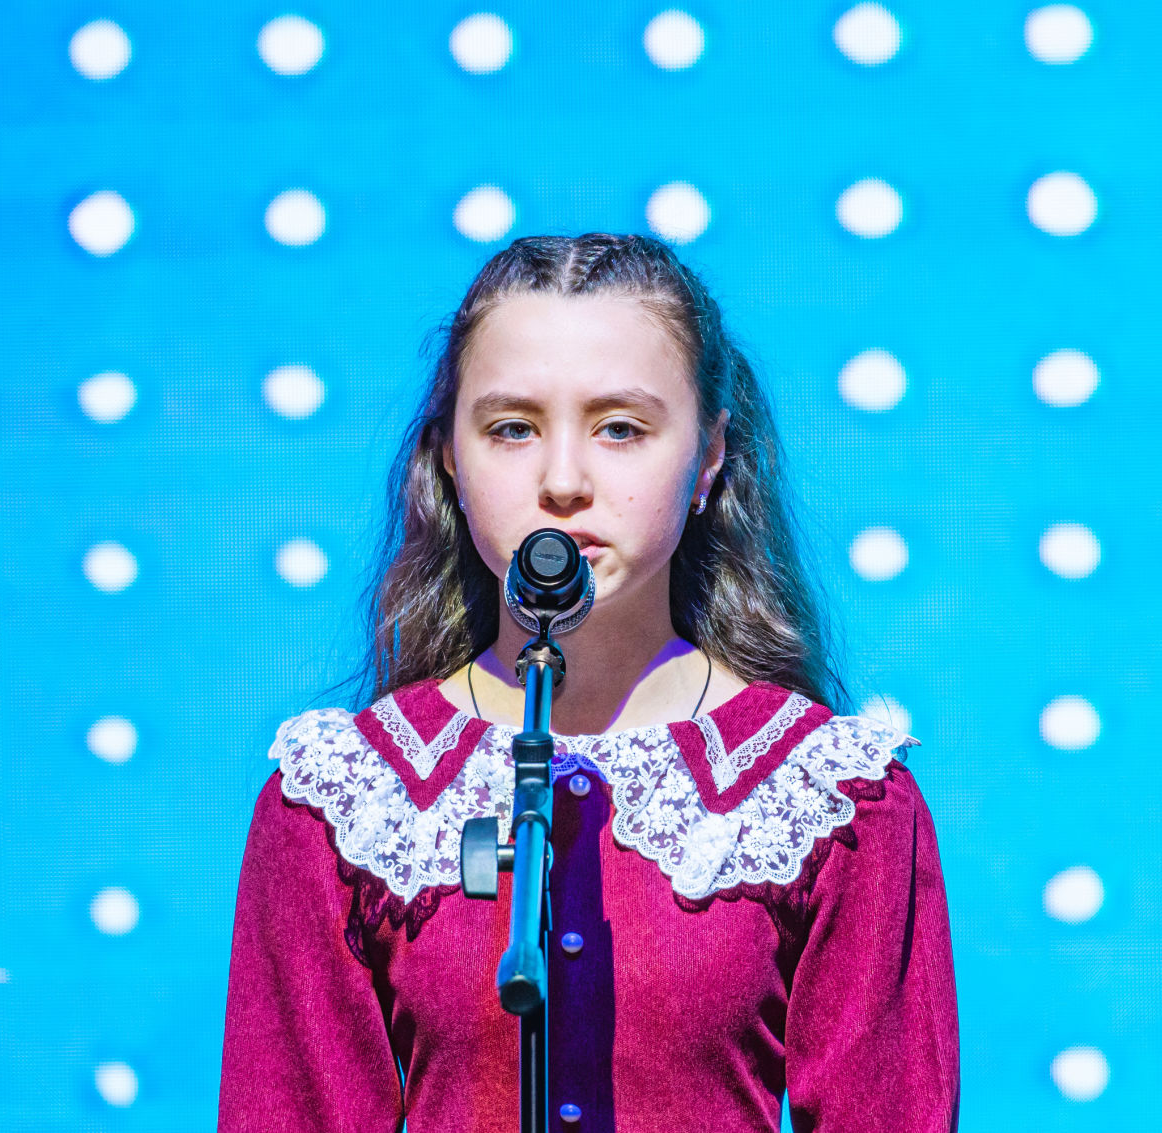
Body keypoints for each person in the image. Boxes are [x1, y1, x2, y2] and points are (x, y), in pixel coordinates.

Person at [218, 233, 960, 1132]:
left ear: (709, 456)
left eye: (621, 428)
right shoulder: (345, 800)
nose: (563, 482)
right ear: (448, 457)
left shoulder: (832, 797)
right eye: (512, 428)